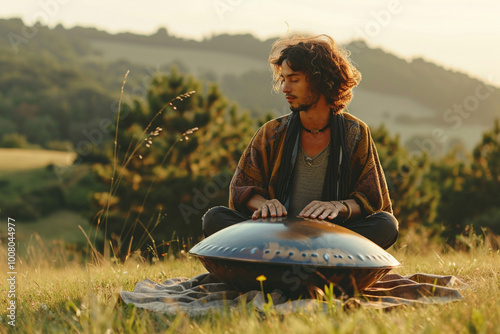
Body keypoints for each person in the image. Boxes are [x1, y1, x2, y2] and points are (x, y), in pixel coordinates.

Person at [202, 34, 398, 250]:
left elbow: (371, 200)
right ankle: (313, 270)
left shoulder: (355, 132)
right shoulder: (271, 132)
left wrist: (338, 207)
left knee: (386, 225)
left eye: (294, 80)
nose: (285, 88)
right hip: (274, 235)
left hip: (332, 238)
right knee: (215, 218)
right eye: (283, 79)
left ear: (320, 80)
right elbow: (241, 190)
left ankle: (284, 267)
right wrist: (265, 204)